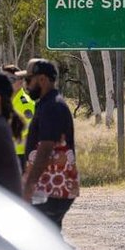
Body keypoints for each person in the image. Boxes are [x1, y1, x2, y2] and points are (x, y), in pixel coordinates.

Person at [22, 58, 79, 230]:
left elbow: (46, 148)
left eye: (28, 80)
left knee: (40, 239)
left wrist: (29, 185)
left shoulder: (52, 107)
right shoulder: (47, 104)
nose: (26, 85)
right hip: (51, 187)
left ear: (42, 79)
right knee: (49, 237)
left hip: (51, 187)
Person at [2, 64, 35, 169]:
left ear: (20, 81)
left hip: (19, 156)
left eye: (10, 80)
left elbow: (27, 134)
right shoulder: (4, 101)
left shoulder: (25, 104)